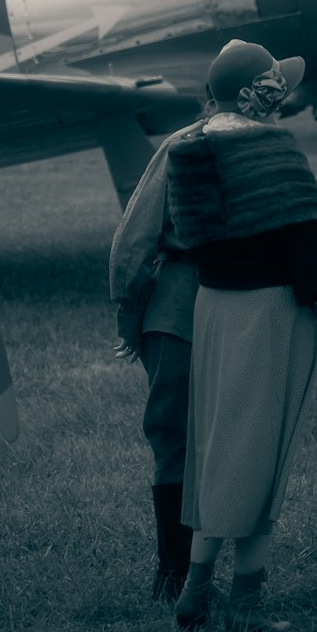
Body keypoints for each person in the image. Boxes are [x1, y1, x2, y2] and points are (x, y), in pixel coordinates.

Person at [164, 40, 317, 632]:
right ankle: (244, 606)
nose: (283, 94)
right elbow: (308, 251)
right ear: (255, 93)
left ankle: (194, 595)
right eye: (274, 84)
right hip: (267, 319)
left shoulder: (188, 149)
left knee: (216, 453)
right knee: (258, 463)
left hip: (213, 311)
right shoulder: (274, 151)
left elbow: (188, 242)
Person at [109, 115, 203, 600]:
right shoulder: (186, 146)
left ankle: (185, 574)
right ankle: (176, 572)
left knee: (190, 443)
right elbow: (137, 240)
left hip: (204, 310)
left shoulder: (194, 144)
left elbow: (135, 239)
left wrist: (130, 315)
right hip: (194, 311)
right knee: (182, 442)